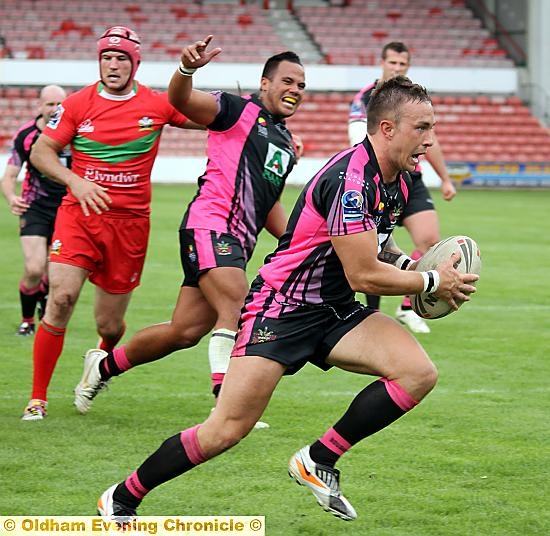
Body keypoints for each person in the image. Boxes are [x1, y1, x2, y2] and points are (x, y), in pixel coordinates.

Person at [96, 76, 478, 521]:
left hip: (333, 310)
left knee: (417, 373)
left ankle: (318, 459)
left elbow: (379, 246)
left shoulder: (397, 179)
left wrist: (413, 269)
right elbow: (364, 273)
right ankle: (122, 498)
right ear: (387, 128)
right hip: (280, 307)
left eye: (433, 128)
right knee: (225, 430)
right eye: (422, 128)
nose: (430, 140)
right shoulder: (351, 180)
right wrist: (432, 282)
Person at [72, 36, 305, 429]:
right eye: (288, 81)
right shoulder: (234, 110)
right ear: (265, 83)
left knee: (184, 331)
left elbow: (268, 204)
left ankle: (103, 366)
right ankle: (225, 406)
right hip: (209, 225)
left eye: (301, 86)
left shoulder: (284, 142)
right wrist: (186, 69)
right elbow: (179, 101)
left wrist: (299, 238)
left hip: (236, 241)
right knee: (238, 303)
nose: (295, 90)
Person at [20, 26, 200, 421]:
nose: (113, 64)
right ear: (98, 61)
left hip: (130, 226)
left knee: (111, 323)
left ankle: (98, 367)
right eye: (107, 57)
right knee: (62, 299)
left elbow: (216, 121)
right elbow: (41, 151)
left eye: (121, 58)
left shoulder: (157, 104)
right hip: (78, 218)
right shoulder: (77, 104)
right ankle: (38, 398)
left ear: (135, 63)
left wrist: (268, 131)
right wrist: (75, 181)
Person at [348, 41, 456, 334]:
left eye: (402, 64)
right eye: (392, 63)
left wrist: (445, 178)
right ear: (382, 63)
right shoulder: (366, 99)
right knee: (375, 245)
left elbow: (427, 140)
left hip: (411, 179)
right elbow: (361, 139)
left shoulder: (412, 100)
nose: (397, 68)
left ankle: (408, 307)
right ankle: (370, 313)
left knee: (430, 239)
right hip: (378, 178)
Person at [1, 84, 69, 336]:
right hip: (35, 206)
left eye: (58, 104)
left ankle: (44, 301)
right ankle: (27, 320)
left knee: (55, 273)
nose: (54, 109)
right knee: (33, 268)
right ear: (39, 106)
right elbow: (9, 175)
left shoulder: (76, 132)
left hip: (68, 209)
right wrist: (11, 197)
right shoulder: (26, 135)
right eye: (49, 104)